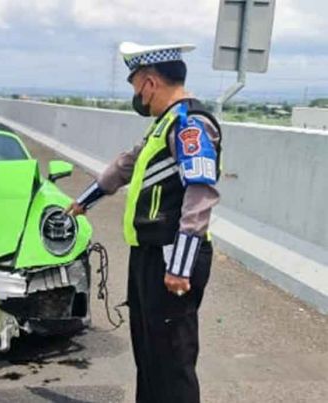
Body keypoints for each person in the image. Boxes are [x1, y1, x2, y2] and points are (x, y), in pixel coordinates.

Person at [67, 42, 222, 403]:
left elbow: (200, 193)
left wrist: (180, 266)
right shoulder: (164, 124)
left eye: (136, 84)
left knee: (172, 359)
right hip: (150, 254)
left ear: (150, 83)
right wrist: (84, 201)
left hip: (172, 256)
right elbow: (127, 164)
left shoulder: (191, 126)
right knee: (149, 354)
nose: (136, 94)